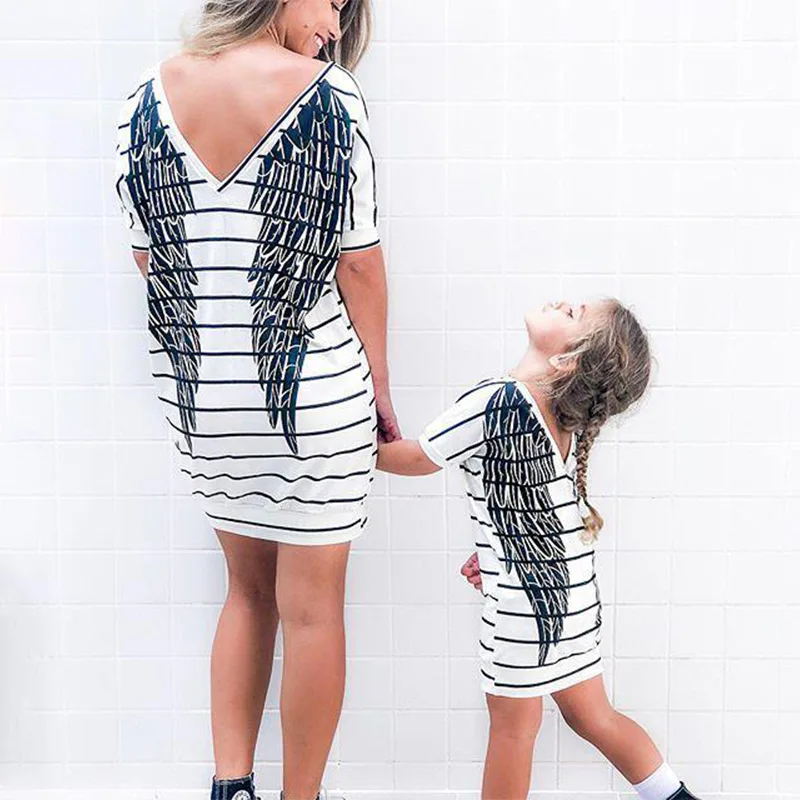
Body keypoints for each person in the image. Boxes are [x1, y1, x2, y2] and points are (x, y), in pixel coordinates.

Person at [114, 2, 396, 799]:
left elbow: (151, 257)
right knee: (312, 611)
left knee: (244, 592)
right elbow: (359, 265)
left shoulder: (145, 95)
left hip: (206, 400)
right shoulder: (329, 95)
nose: (334, 25)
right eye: (332, 3)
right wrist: (379, 385)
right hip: (309, 393)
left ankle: (231, 785)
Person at [377, 299, 700, 800]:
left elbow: (418, 458)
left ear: (566, 360)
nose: (565, 303)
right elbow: (536, 506)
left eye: (575, 314)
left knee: (514, 730)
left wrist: (342, 441)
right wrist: (496, 552)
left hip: (530, 607)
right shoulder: (560, 421)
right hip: (572, 597)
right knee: (594, 716)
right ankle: (674, 796)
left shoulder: (498, 400)